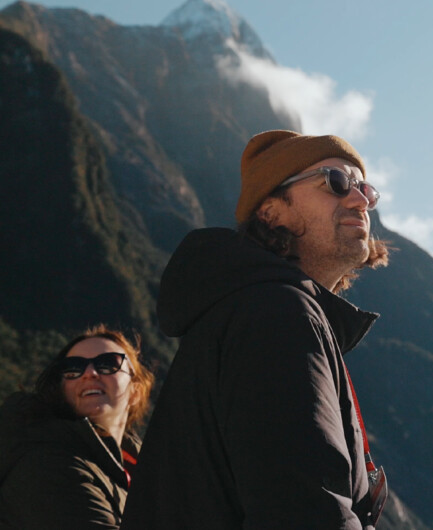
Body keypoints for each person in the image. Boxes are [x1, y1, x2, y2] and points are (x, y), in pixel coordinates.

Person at [121, 131, 390, 529]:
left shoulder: (259, 307)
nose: (359, 200)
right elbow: (305, 512)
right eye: (335, 182)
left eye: (365, 189)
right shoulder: (276, 314)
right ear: (270, 212)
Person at [0, 325, 155, 529]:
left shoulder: (139, 464)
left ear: (135, 391)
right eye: (73, 367)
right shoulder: (48, 464)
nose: (89, 373)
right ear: (61, 390)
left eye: (108, 364)